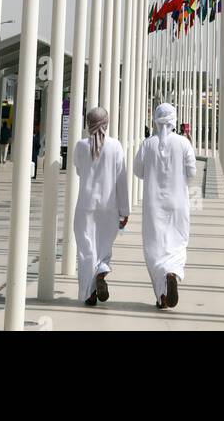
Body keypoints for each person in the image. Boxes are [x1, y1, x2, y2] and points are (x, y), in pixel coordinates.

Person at [134, 102, 197, 310]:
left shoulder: (147, 143)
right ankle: (172, 272)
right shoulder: (184, 143)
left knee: (154, 246)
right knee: (177, 242)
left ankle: (161, 295)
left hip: (154, 204)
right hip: (178, 202)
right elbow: (192, 173)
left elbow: (138, 172)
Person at [73, 107, 129, 307]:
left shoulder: (80, 145)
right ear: (107, 122)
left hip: (85, 205)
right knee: (104, 246)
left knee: (86, 249)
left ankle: (89, 293)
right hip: (109, 205)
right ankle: (102, 269)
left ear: (88, 123)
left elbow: (79, 171)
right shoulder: (115, 146)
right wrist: (124, 211)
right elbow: (121, 180)